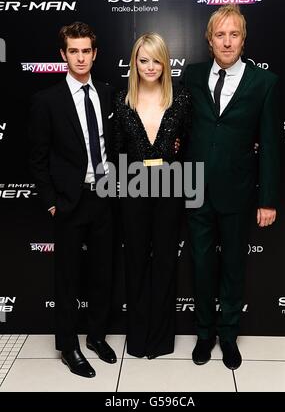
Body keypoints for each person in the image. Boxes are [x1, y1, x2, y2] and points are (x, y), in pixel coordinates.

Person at [182, 4, 280, 370]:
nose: (227, 42)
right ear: (209, 40)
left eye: (233, 34)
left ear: (243, 38)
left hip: (238, 191)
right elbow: (179, 128)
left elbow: (270, 143)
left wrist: (267, 198)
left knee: (234, 268)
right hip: (194, 189)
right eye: (219, 35)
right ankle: (204, 333)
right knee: (202, 266)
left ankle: (228, 335)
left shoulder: (264, 83)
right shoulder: (191, 76)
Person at [29, 22, 117, 378]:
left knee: (102, 274)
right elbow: (37, 158)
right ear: (63, 55)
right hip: (69, 201)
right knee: (66, 279)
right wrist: (52, 201)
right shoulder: (45, 101)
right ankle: (68, 346)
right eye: (73, 51)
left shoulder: (109, 94)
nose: (80, 58)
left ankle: (96, 336)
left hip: (105, 199)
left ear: (95, 54)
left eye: (86, 51)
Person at [114, 32, 191, 359]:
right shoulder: (122, 100)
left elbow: (189, 147)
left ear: (165, 62)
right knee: (135, 262)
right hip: (133, 187)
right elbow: (116, 151)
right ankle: (139, 337)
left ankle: (160, 340)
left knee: (163, 262)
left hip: (171, 186)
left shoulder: (182, 98)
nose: (150, 66)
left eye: (156, 60)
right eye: (143, 60)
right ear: (134, 63)